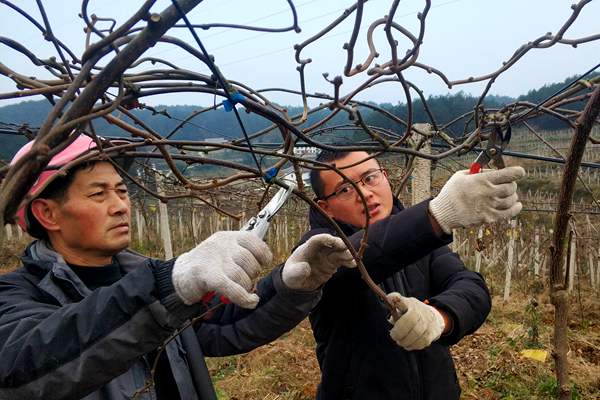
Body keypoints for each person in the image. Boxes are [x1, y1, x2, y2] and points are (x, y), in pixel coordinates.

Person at [0, 134, 358, 400]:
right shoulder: (18, 296)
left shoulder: (146, 276)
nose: (120, 206)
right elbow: (26, 369)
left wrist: (291, 288)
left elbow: (226, 323)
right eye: (98, 194)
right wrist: (166, 286)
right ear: (47, 213)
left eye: (122, 192)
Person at [301, 150, 526, 400]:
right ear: (325, 207)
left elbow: (471, 287)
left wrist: (439, 316)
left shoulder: (424, 244)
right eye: (345, 189)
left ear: (386, 177)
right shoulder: (317, 250)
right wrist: (437, 215)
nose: (364, 194)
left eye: (370, 178)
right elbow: (354, 263)